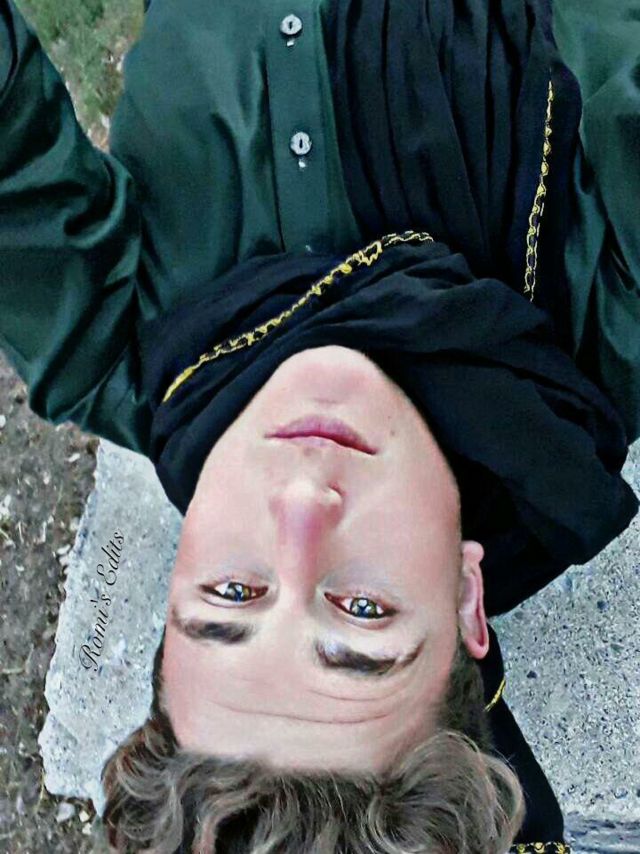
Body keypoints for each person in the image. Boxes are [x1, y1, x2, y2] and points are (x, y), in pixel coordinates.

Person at [0, 0, 638, 851]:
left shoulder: (108, 344)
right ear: (465, 599)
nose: (302, 503)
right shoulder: (610, 316)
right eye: (364, 610)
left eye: (231, 596)